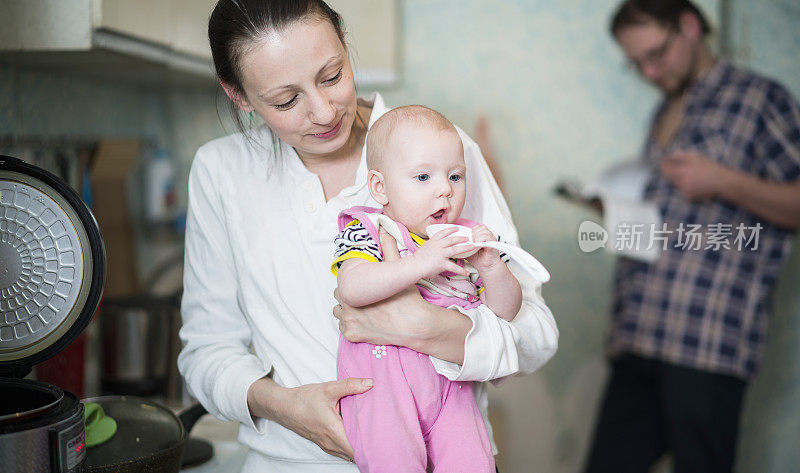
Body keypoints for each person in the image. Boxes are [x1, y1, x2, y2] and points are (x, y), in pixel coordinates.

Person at [177, 1, 559, 471]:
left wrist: (434, 331)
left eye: (332, 75)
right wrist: (285, 407)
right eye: (285, 100)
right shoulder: (222, 172)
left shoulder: (436, 155)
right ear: (238, 95)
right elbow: (206, 352)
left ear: (344, 43)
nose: (322, 111)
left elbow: (537, 335)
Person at [583, 1, 800, 472]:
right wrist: (616, 213)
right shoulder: (663, 110)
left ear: (690, 25)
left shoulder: (761, 99)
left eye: (657, 53)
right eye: (637, 63)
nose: (650, 70)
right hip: (639, 331)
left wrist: (724, 181)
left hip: (708, 340)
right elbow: (674, 226)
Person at [332, 105, 525, 472]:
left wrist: (490, 266)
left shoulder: (465, 239)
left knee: (473, 463)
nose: (444, 191)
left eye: (455, 176)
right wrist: (420, 262)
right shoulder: (369, 230)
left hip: (453, 387)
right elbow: (352, 289)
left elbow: (507, 311)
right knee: (394, 462)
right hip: (383, 388)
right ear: (380, 187)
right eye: (423, 177)